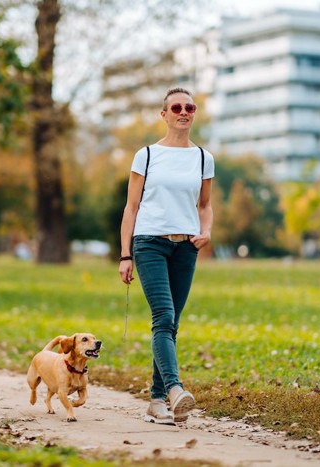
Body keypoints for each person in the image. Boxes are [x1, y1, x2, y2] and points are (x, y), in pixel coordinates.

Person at [118, 87, 214, 425]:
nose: (184, 112)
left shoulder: (203, 157)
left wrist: (207, 231)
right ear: (164, 114)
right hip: (149, 243)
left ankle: (157, 402)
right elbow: (131, 207)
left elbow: (205, 205)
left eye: (190, 107)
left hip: (186, 247)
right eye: (177, 107)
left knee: (170, 324)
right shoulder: (146, 155)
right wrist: (125, 254)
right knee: (163, 316)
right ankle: (175, 390)